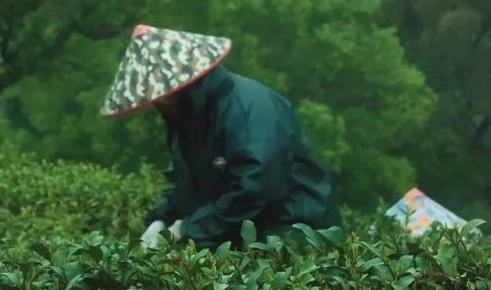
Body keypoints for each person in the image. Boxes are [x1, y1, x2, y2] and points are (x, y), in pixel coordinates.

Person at [103, 24, 339, 248]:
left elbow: (256, 187)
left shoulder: (249, 109)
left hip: (295, 235)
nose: (159, 106)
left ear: (184, 87)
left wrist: (189, 228)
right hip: (245, 240)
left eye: (162, 98)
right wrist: (162, 219)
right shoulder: (189, 121)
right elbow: (186, 183)